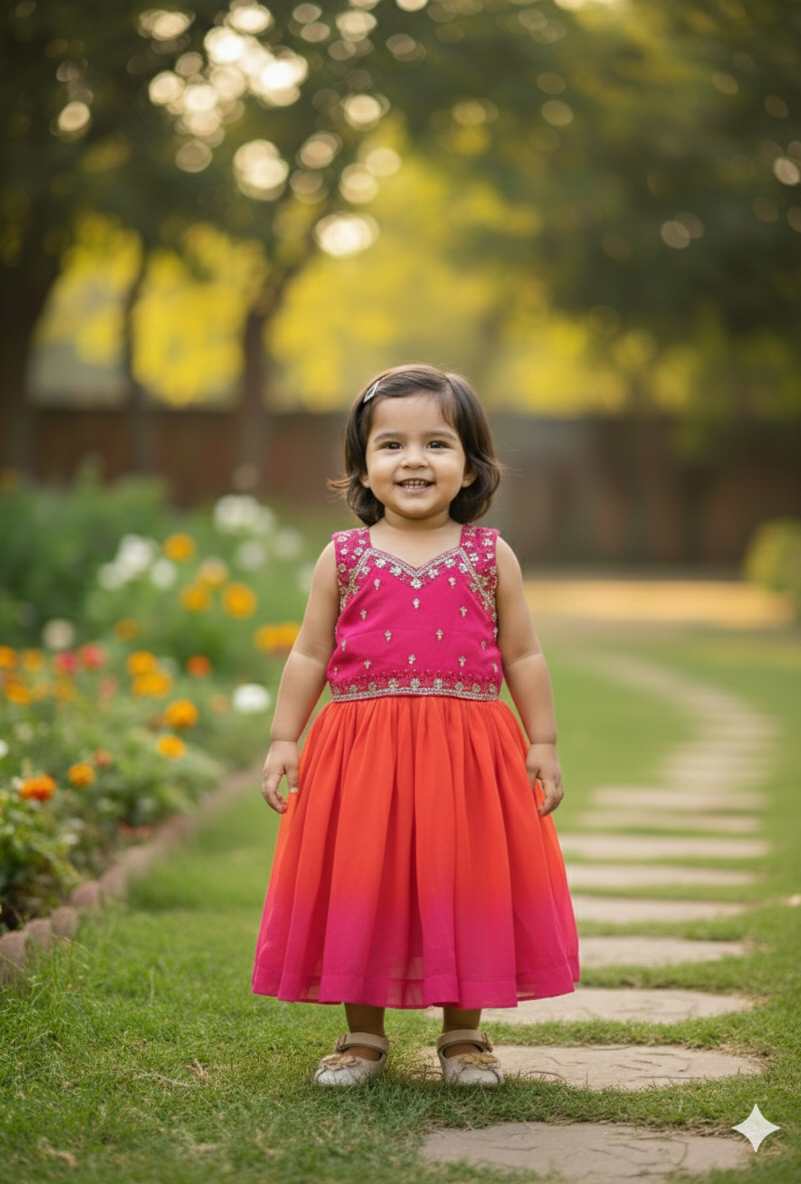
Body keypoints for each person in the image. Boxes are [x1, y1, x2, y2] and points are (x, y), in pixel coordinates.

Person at [252, 364, 579, 1087]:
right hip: (361, 753)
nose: (413, 460)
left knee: (466, 884)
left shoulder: (491, 556)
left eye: (437, 444)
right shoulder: (344, 557)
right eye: (391, 445)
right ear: (363, 467)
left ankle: (464, 1037)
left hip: (467, 753)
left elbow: (523, 653)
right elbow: (309, 652)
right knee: (361, 884)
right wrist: (283, 738)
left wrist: (544, 742)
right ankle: (362, 1037)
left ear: (469, 467)